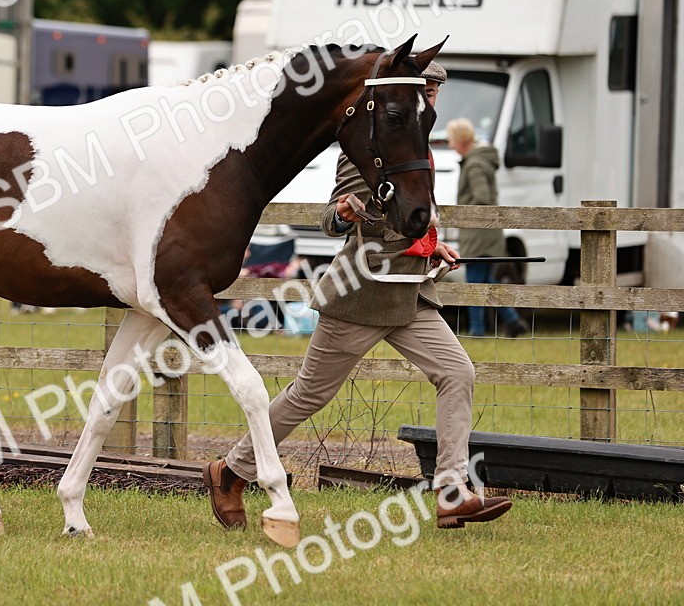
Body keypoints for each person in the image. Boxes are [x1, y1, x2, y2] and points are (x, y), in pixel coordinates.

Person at [203, 61, 513, 532]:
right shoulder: (370, 144)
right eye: (423, 90)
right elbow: (335, 218)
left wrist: (433, 248)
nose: (428, 99)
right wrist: (349, 215)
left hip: (410, 294)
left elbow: (414, 221)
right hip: (360, 295)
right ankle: (232, 471)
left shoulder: (419, 146)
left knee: (457, 372)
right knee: (309, 394)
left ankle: (451, 490)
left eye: (433, 92)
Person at [446, 118, 530, 338]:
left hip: (478, 233)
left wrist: (462, 212)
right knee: (485, 281)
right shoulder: (480, 160)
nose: (450, 145)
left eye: (451, 140)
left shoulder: (474, 165)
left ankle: (477, 330)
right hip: (486, 233)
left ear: (460, 140)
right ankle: (512, 322)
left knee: (473, 283)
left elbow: (482, 198)